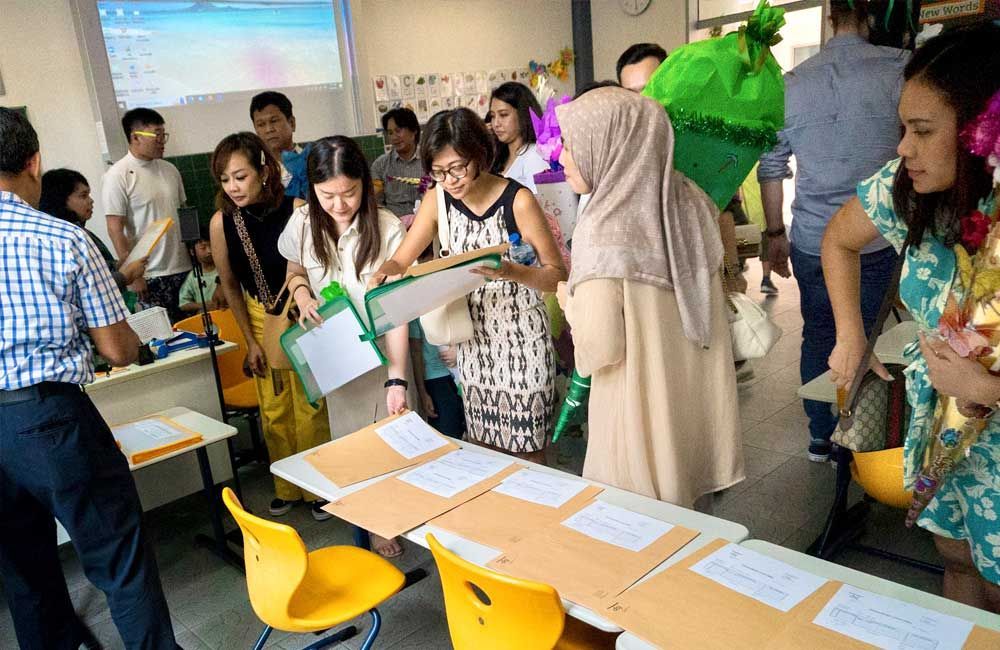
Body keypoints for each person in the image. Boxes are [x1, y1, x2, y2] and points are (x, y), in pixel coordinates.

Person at [823, 23, 1000, 611]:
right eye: (903, 128)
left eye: (922, 131)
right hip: (941, 424)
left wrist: (981, 388)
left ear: (982, 132)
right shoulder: (908, 190)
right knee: (954, 557)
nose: (903, 147)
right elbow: (839, 240)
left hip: (994, 437)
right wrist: (850, 333)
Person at [0, 107, 179, 648]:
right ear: (35, 161)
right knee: (120, 563)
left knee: (24, 575)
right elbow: (119, 350)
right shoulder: (64, 238)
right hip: (50, 420)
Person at [554, 87, 743, 509]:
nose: (562, 156)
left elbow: (600, 348)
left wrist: (570, 302)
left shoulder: (604, 224)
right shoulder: (691, 200)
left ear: (609, 143)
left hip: (636, 414)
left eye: (570, 143)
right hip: (690, 407)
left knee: (641, 536)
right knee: (693, 522)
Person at [372, 108, 566, 466]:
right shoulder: (438, 200)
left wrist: (513, 272)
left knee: (529, 454)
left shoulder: (518, 201)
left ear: (479, 155)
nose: (450, 180)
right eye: (439, 172)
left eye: (457, 168)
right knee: (485, 449)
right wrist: (385, 272)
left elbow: (556, 274)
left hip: (523, 338)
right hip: (474, 344)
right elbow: (402, 259)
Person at [758, 0, 908, 462]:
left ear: (830, 17)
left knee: (820, 331)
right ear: (872, 16)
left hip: (809, 236)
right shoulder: (900, 68)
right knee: (864, 338)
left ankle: (821, 435)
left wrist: (773, 232)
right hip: (875, 237)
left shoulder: (793, 84)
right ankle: (860, 436)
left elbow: (771, 166)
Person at [280, 135, 412, 557]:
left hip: (379, 351)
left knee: (386, 444)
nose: (339, 205)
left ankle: (385, 521)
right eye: (327, 195)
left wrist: (397, 378)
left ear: (364, 185)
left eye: (349, 193)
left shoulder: (388, 228)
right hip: (335, 354)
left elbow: (397, 313)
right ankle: (366, 517)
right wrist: (301, 295)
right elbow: (295, 269)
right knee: (350, 445)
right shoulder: (302, 222)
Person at [208, 132, 332, 521]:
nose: (233, 187)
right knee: (274, 408)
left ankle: (319, 488)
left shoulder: (298, 209)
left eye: (240, 177)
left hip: (303, 313)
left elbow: (317, 268)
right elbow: (229, 284)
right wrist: (250, 341)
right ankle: (287, 486)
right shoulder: (222, 222)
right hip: (259, 316)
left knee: (312, 404)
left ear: (264, 171)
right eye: (225, 180)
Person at [103, 107, 191, 321]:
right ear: (135, 137)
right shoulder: (118, 174)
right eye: (157, 135)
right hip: (150, 274)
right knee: (161, 340)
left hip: (184, 267)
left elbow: (184, 212)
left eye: (164, 135)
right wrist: (132, 275)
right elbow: (115, 228)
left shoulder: (170, 169)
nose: (162, 141)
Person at [39, 168, 147, 294]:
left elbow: (96, 270)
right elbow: (91, 287)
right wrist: (125, 276)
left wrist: (117, 265)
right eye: (83, 196)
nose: (91, 200)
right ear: (60, 200)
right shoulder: (68, 238)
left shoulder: (81, 232)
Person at [488, 82, 549, 193]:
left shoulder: (535, 155)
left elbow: (540, 204)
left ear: (522, 114)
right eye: (492, 116)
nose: (496, 123)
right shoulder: (499, 156)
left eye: (503, 115)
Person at [250, 91, 310, 200]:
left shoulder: (313, 160)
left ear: (292, 123)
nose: (269, 129)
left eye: (274, 121)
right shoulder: (254, 170)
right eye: (261, 124)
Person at [372, 107, 423, 217]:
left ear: (413, 131)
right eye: (390, 133)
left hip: (425, 221)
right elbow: (375, 199)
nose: (394, 137)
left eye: (398, 131)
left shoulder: (429, 162)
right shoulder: (380, 165)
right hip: (393, 224)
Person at [178, 232, 225, 314]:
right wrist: (203, 305)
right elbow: (183, 304)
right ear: (192, 251)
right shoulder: (193, 276)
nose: (209, 251)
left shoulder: (223, 269)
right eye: (203, 248)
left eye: (211, 246)